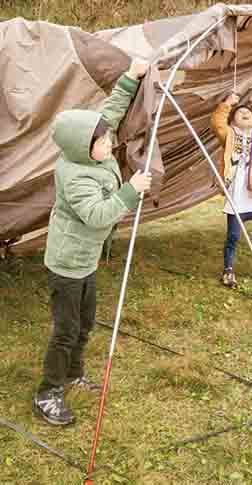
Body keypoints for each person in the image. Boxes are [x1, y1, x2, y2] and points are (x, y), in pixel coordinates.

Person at [34, 60, 152, 426]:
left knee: (85, 324)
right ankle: (48, 392)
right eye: (102, 141)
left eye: (105, 137)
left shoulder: (87, 147)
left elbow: (110, 114)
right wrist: (130, 192)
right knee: (66, 330)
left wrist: (132, 76)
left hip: (85, 260)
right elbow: (99, 215)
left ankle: (73, 374)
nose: (109, 140)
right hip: (67, 264)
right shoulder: (76, 176)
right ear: (84, 148)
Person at [210, 93, 252, 288]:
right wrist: (227, 104)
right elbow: (217, 123)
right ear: (232, 120)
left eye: (247, 112)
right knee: (232, 236)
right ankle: (228, 270)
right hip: (236, 198)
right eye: (239, 112)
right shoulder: (229, 135)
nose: (244, 113)